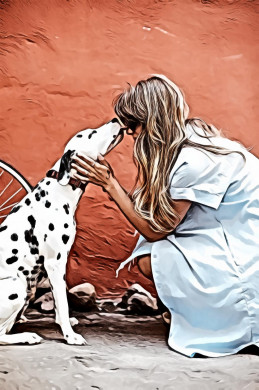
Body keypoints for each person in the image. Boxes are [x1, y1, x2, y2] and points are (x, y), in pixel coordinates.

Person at [71, 75, 259, 358]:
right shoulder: (190, 138)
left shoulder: (194, 161)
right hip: (227, 232)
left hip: (244, 249)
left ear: (152, 121)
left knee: (151, 255)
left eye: (133, 126)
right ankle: (187, 309)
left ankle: (214, 319)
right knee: (150, 251)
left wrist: (109, 183)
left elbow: (156, 230)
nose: (130, 134)